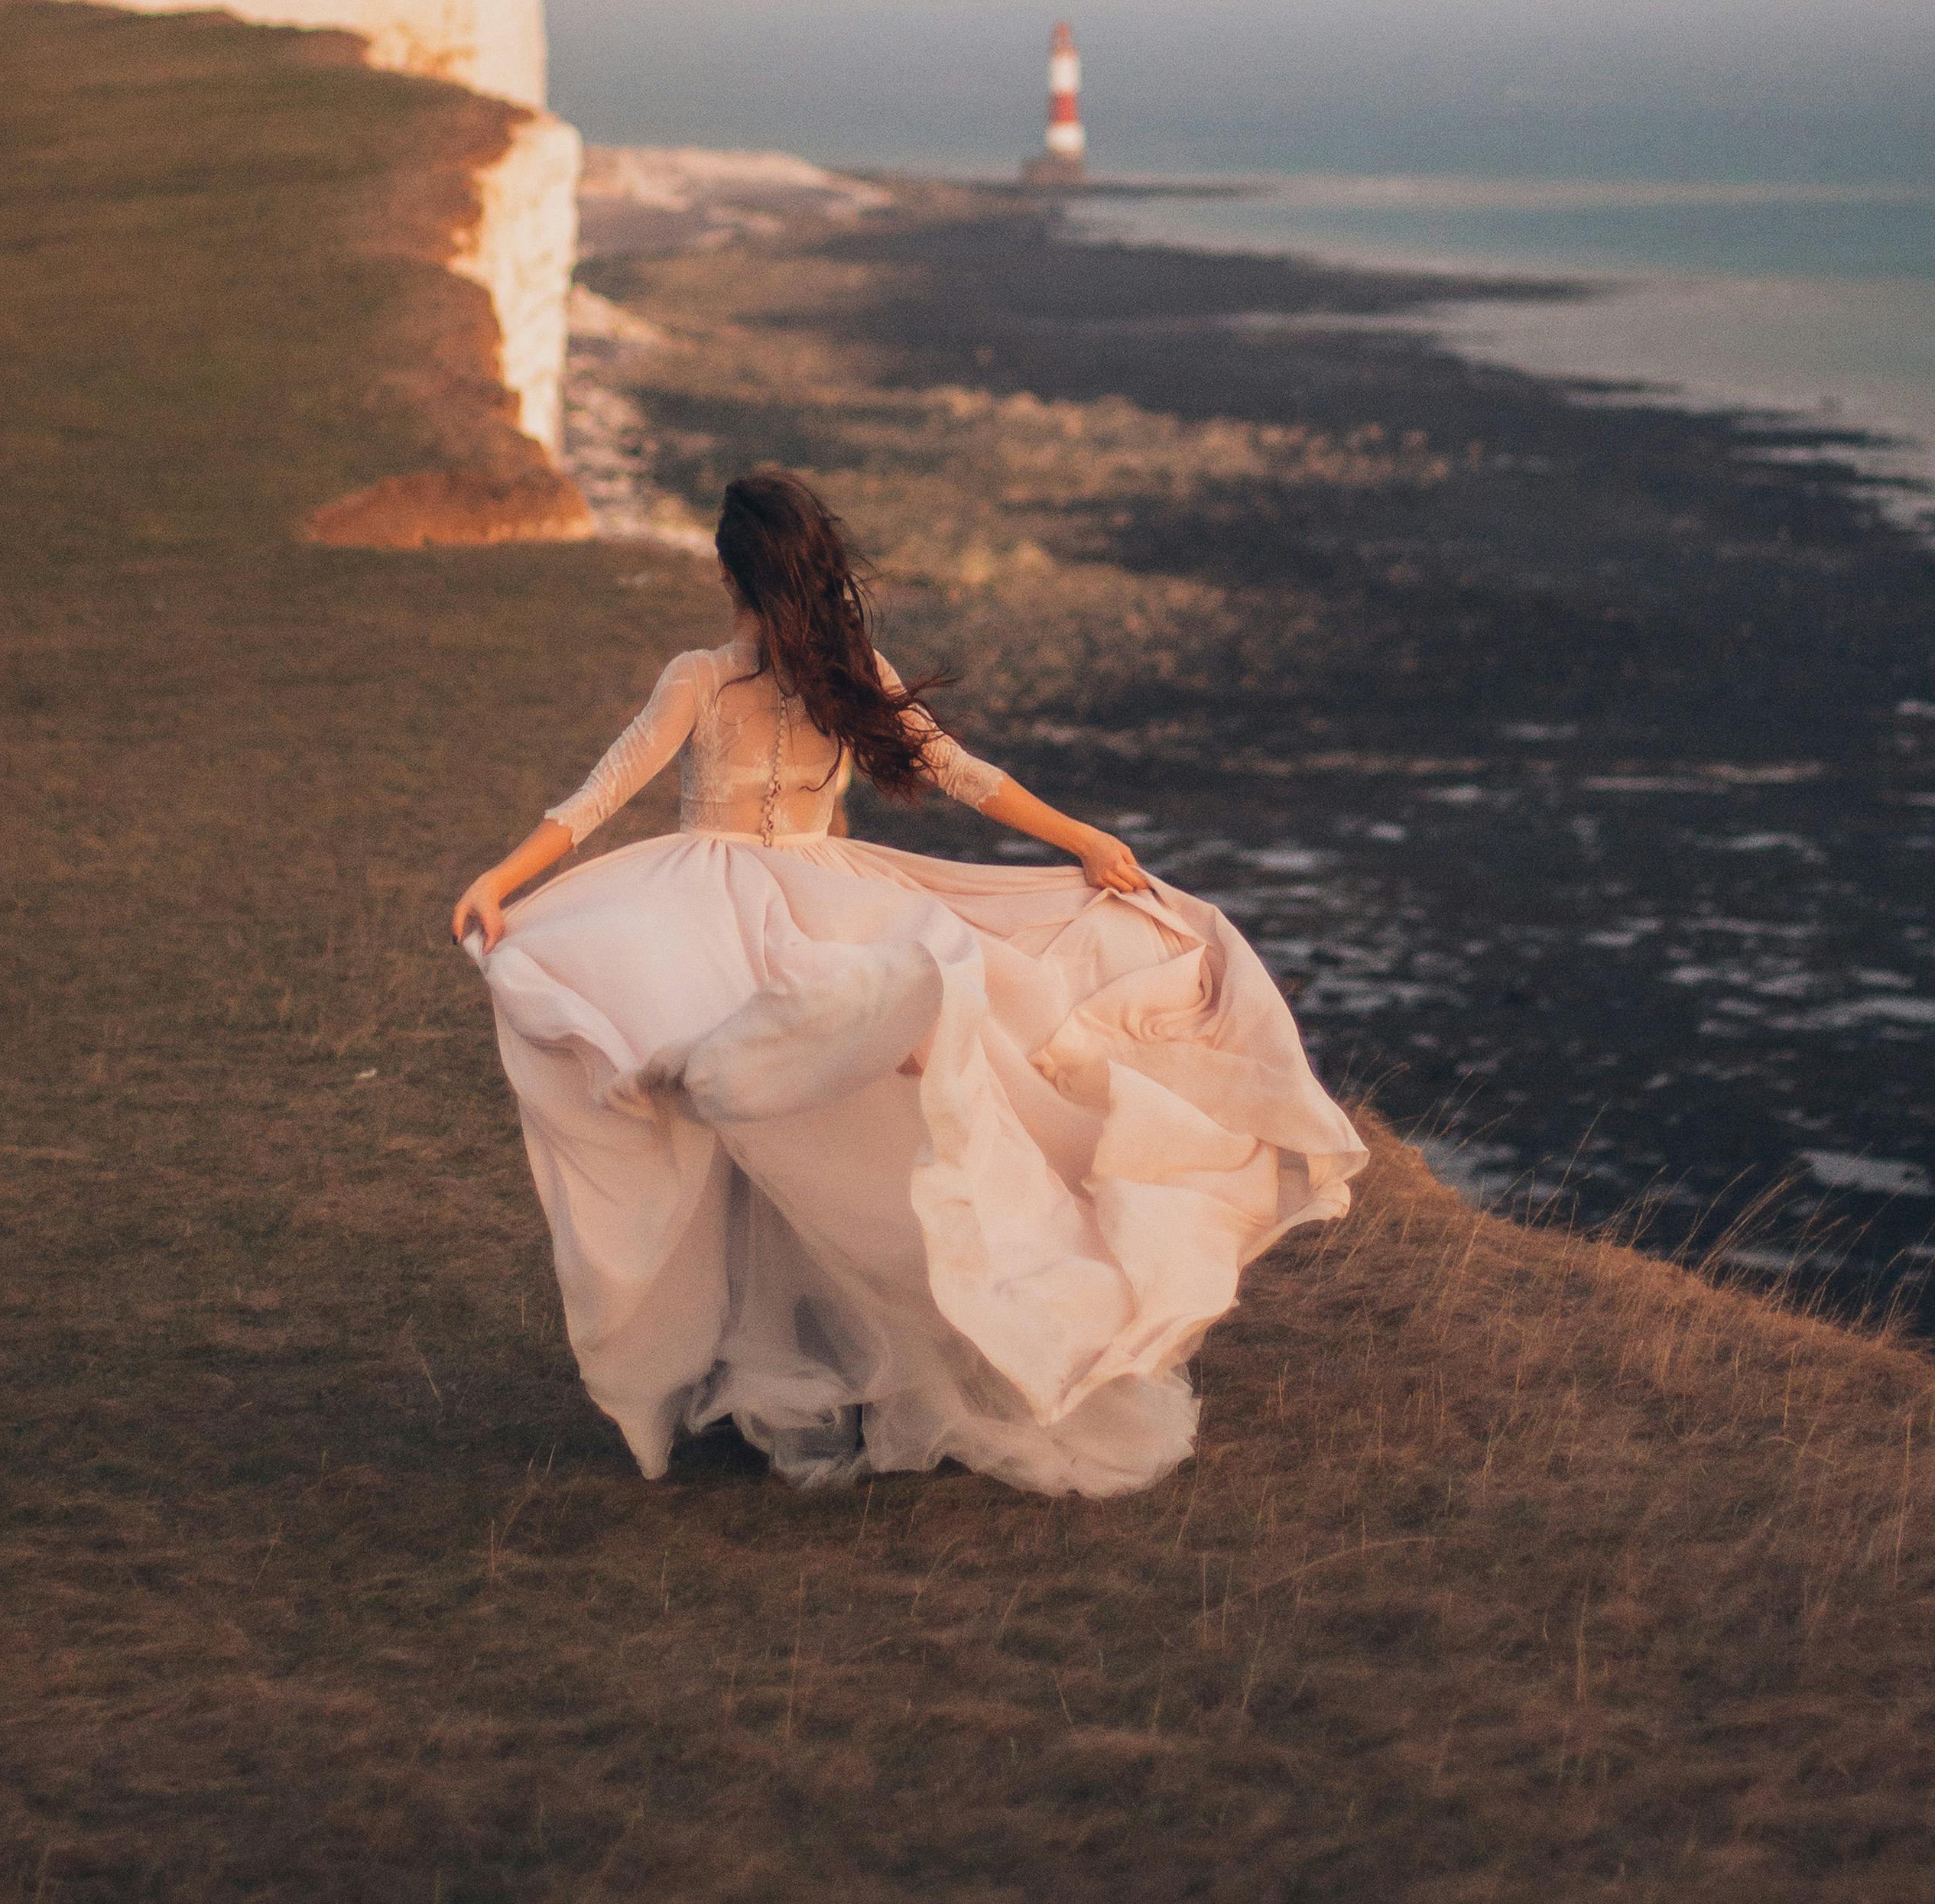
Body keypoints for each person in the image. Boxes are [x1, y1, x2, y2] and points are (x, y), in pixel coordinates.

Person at [453, 465, 1365, 1497]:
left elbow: (602, 791)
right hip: (831, 898)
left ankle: (781, 1364)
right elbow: (962, 773)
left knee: (745, 1128)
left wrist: (503, 878)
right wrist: (1082, 839)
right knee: (832, 1119)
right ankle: (812, 1362)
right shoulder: (851, 672)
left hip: (700, 907)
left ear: (728, 571)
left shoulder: (701, 678)